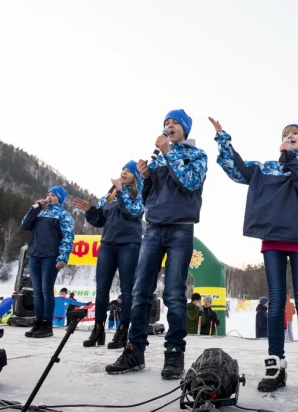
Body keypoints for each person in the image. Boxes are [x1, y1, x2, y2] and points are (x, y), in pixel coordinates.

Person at [212, 117, 298, 393]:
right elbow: (237, 170)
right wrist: (223, 139)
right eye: (286, 133)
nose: (289, 135)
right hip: (273, 237)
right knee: (275, 302)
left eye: (296, 133)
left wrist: (292, 159)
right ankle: (275, 365)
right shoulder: (267, 167)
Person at [106, 109, 207, 380]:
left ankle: (174, 352)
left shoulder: (196, 155)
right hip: (153, 228)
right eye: (166, 123)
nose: (168, 126)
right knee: (140, 292)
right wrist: (147, 178)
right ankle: (134, 350)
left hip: (181, 228)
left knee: (174, 293)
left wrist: (167, 154)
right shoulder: (160, 159)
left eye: (174, 123)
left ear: (184, 129)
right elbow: (148, 199)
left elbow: (190, 182)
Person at [74, 160, 144, 349]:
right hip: (107, 244)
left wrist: (121, 191)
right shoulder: (110, 194)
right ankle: (98, 329)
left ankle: (123, 330)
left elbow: (131, 212)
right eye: (122, 170)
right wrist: (90, 210)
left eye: (129, 171)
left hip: (129, 245)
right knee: (102, 289)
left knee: (127, 290)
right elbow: (99, 220)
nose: (123, 173)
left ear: (136, 176)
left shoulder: (139, 193)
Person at [21, 186, 74, 338]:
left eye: (53, 195)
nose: (49, 197)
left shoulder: (64, 215)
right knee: (37, 292)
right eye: (48, 194)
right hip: (35, 254)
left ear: (60, 199)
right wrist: (34, 209)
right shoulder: (40, 212)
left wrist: (63, 257)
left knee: (46, 290)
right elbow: (25, 225)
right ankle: (37, 322)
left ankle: (47, 325)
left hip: (50, 256)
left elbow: (68, 237)